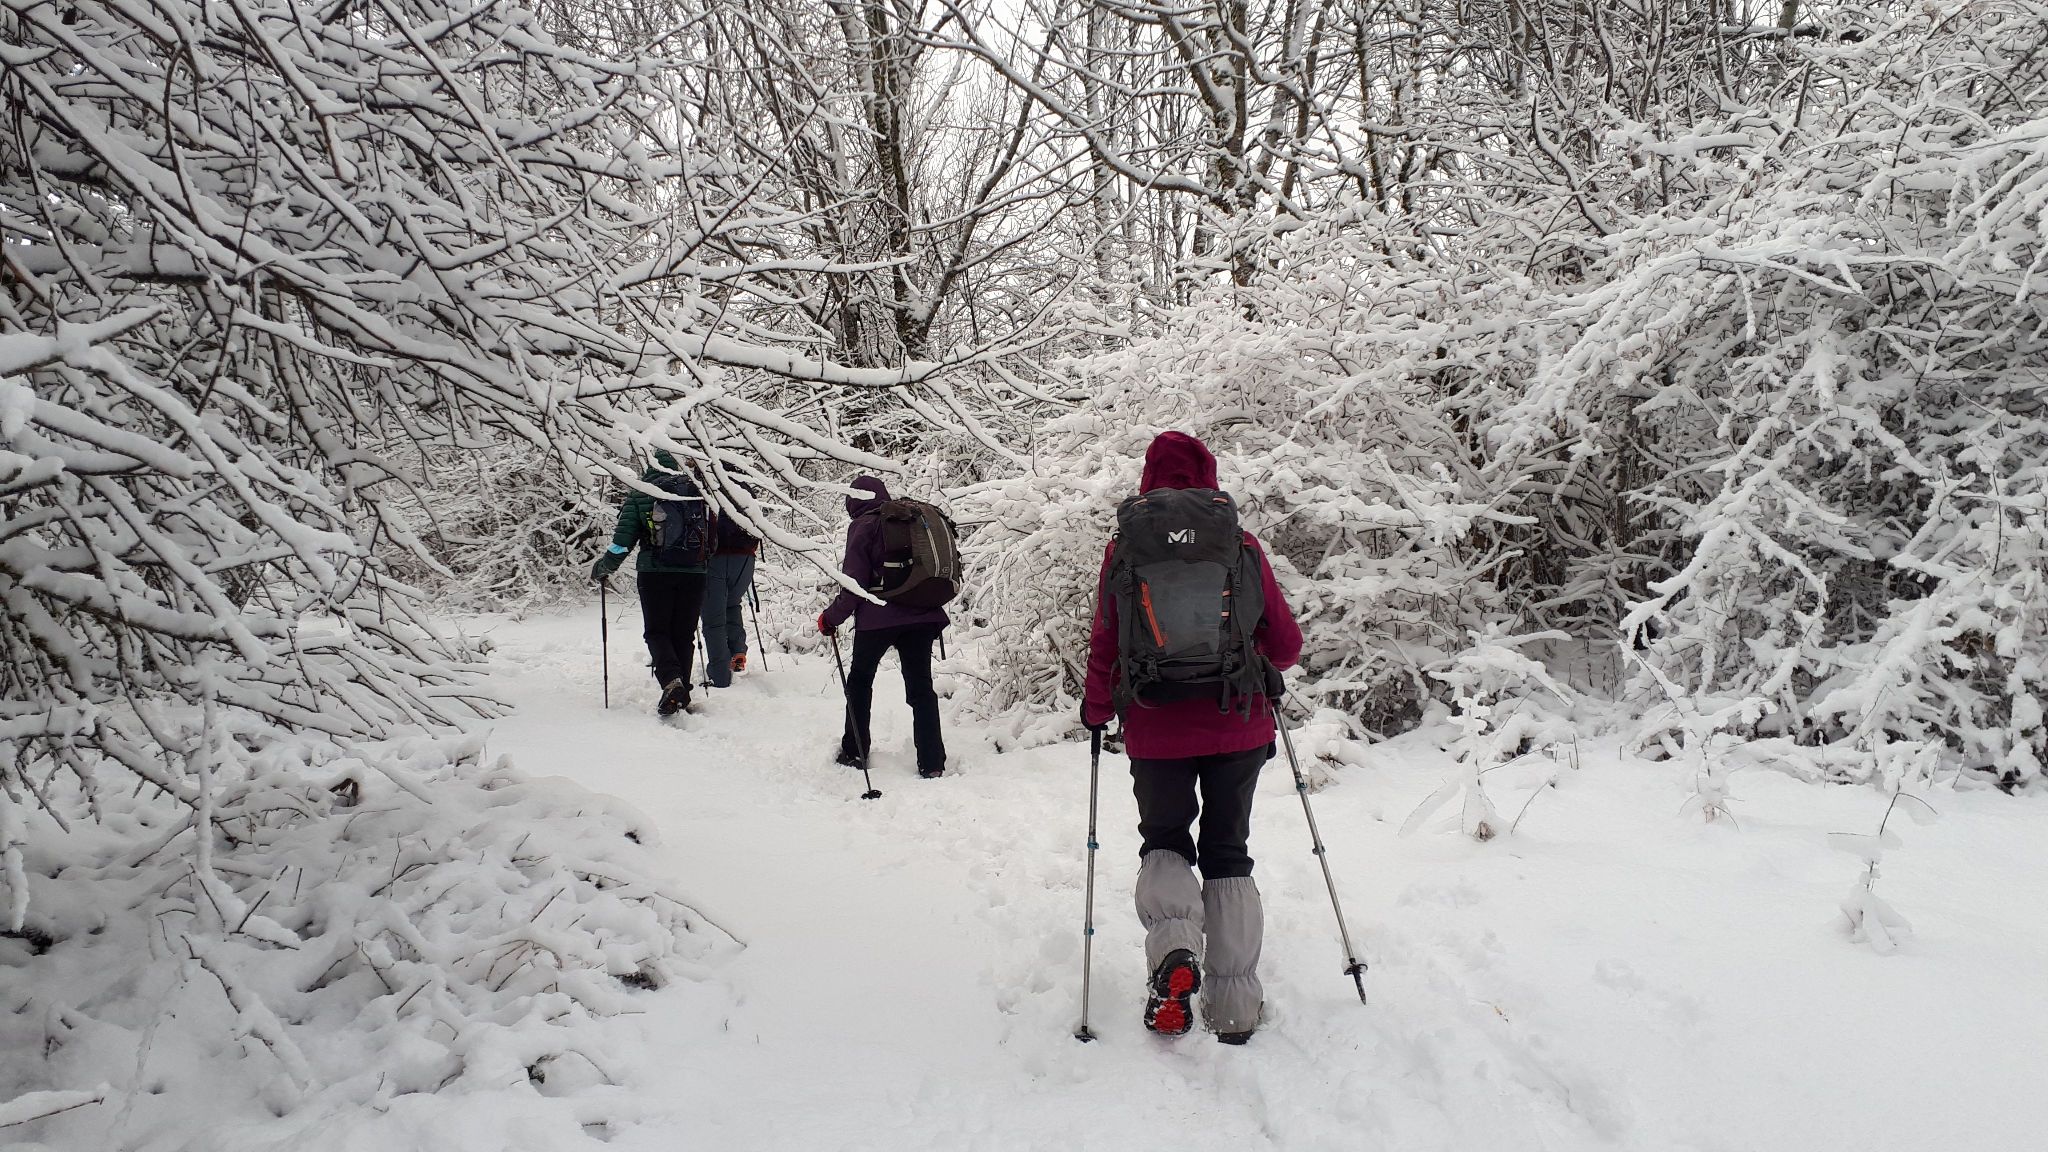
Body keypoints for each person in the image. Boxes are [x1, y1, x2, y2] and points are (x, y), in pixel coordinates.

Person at [1080, 431, 1303, 1044]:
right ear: (1210, 474)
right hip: (1238, 721)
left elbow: (1106, 640)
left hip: (1155, 724)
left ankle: (1175, 949)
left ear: (1148, 478)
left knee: (1165, 841)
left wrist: (1096, 709)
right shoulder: (1240, 545)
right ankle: (1234, 1005)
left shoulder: (1125, 551)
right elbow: (1285, 644)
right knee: (1228, 850)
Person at [818, 476, 949, 779]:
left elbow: (854, 585)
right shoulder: (909, 518)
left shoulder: (863, 525)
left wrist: (831, 618)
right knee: (921, 688)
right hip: (922, 615)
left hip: (877, 619)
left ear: (853, 500)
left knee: (860, 681)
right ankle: (932, 762)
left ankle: (855, 751)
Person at [592, 450, 709, 717]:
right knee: (684, 634)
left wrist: (604, 568)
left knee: (657, 632)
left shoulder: (642, 492)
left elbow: (622, 543)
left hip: (655, 573)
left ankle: (672, 683)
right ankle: (681, 692)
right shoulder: (697, 492)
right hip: (694, 574)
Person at [701, 485, 759, 687]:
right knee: (732, 604)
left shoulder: (711, 486)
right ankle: (737, 652)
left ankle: (720, 676)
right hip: (746, 559)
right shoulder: (745, 489)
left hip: (717, 558)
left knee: (713, 618)